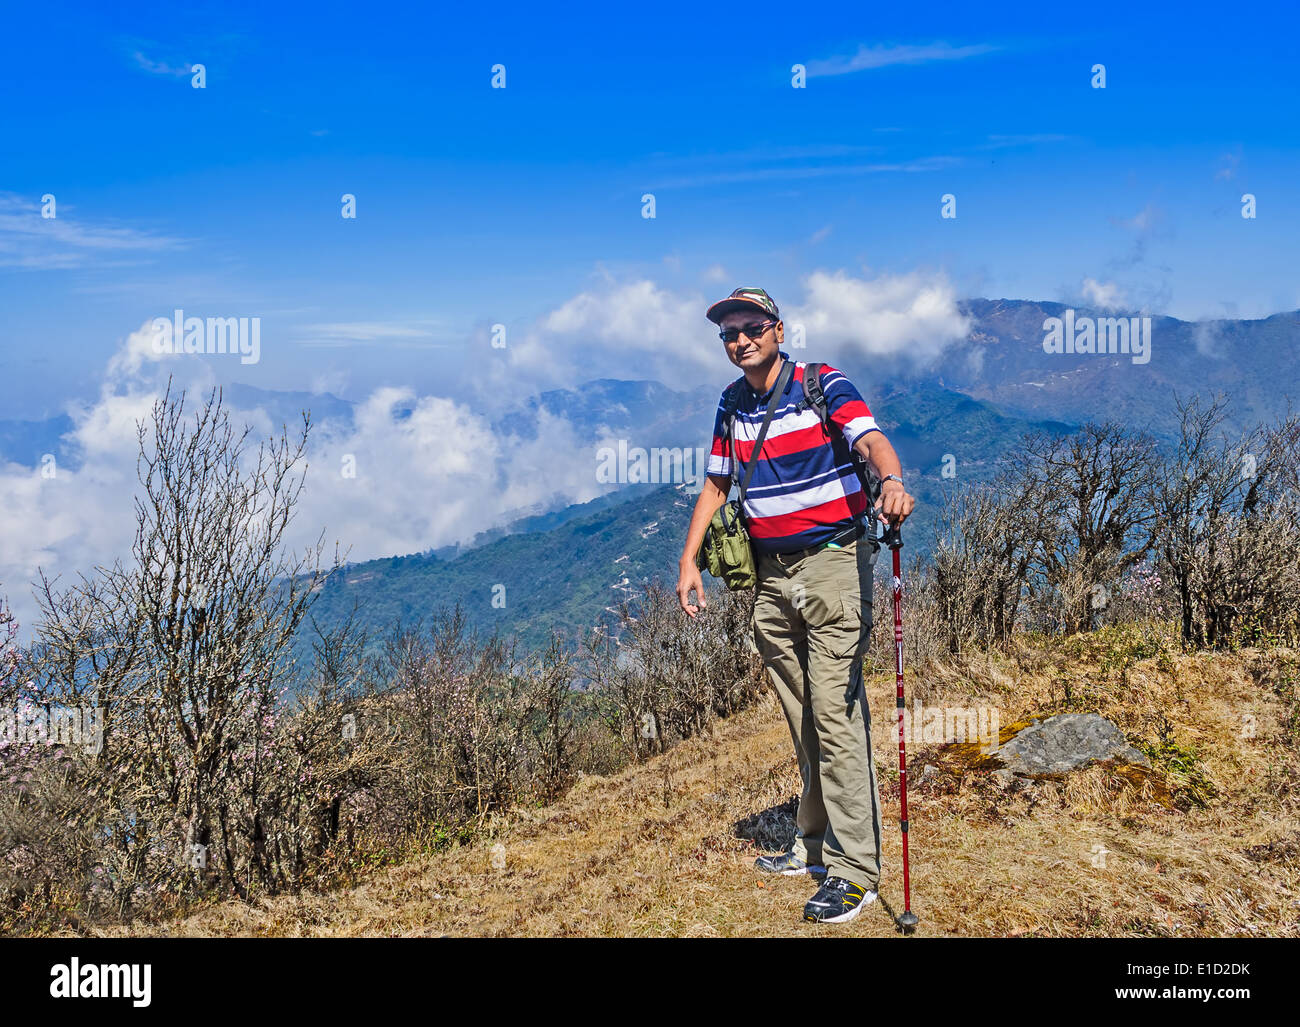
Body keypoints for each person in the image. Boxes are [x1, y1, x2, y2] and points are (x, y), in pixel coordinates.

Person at [676, 287, 915, 924]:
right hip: (768, 574)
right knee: (799, 709)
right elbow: (718, 481)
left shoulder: (821, 383)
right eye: (729, 333)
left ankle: (856, 868)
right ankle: (814, 845)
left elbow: (869, 438)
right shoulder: (732, 402)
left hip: (833, 564)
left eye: (752, 327)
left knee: (836, 710)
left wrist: (890, 479)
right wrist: (689, 560)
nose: (740, 340)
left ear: (778, 330)